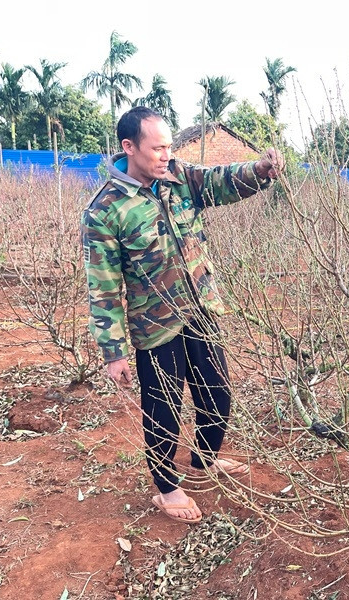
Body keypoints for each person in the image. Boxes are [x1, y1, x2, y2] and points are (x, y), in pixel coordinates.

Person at [81, 106, 283, 523]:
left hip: (200, 308)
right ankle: (167, 488)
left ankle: (203, 461)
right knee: (164, 406)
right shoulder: (105, 210)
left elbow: (221, 181)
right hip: (154, 324)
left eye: (169, 146)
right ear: (129, 147)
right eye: (157, 148)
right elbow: (102, 287)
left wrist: (260, 170)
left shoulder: (179, 177)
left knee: (218, 393)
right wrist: (113, 351)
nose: (165, 155)